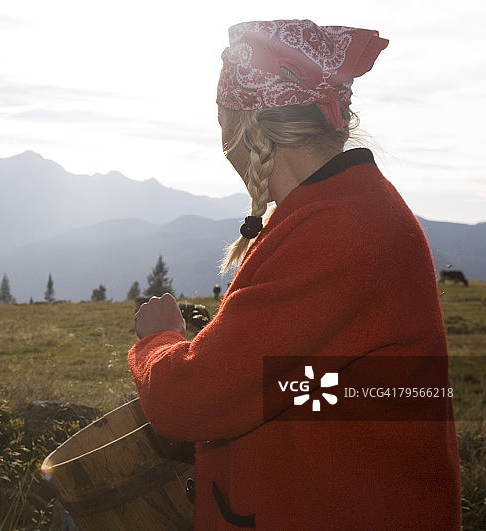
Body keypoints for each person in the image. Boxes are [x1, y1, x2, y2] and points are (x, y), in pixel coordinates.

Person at [129, 19, 461, 530]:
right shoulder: (349, 209)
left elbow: (189, 402)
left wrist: (159, 340)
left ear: (244, 126)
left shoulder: (337, 232)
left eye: (221, 120)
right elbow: (289, 373)